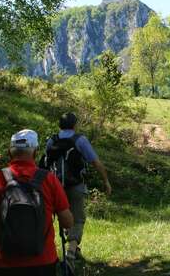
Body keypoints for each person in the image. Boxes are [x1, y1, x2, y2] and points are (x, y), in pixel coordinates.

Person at [0, 129, 73, 276]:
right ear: (35, 152)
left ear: (10, 152)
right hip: (43, 261)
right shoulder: (49, 179)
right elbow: (67, 222)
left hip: (5, 263)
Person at [44, 112, 112, 270]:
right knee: (78, 219)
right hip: (75, 186)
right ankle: (70, 254)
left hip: (54, 187)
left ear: (59, 125)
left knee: (62, 217)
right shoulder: (80, 140)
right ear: (75, 125)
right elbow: (95, 162)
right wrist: (106, 181)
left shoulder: (52, 140)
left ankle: (69, 249)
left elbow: (45, 163)